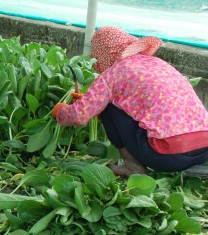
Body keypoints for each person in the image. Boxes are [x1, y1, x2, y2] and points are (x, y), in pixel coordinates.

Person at [52, 26, 208, 177]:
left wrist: (60, 111)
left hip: (168, 156)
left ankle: (132, 167)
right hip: (204, 150)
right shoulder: (160, 64)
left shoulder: (113, 74)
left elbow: (80, 116)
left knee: (108, 107)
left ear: (103, 53)